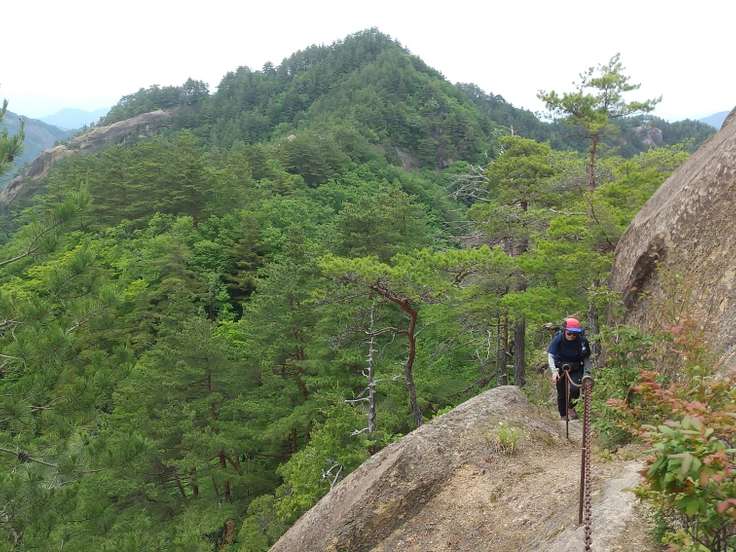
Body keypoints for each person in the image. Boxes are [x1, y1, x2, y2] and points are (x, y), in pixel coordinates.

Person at [547, 317, 592, 420]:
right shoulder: (558, 339)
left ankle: (571, 407)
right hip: (560, 367)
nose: (572, 336)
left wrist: (587, 372)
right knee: (561, 392)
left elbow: (586, 358)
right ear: (565, 331)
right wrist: (554, 371)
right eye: (569, 333)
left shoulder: (582, 341)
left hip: (576, 366)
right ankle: (563, 415)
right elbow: (551, 355)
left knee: (575, 388)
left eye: (575, 334)